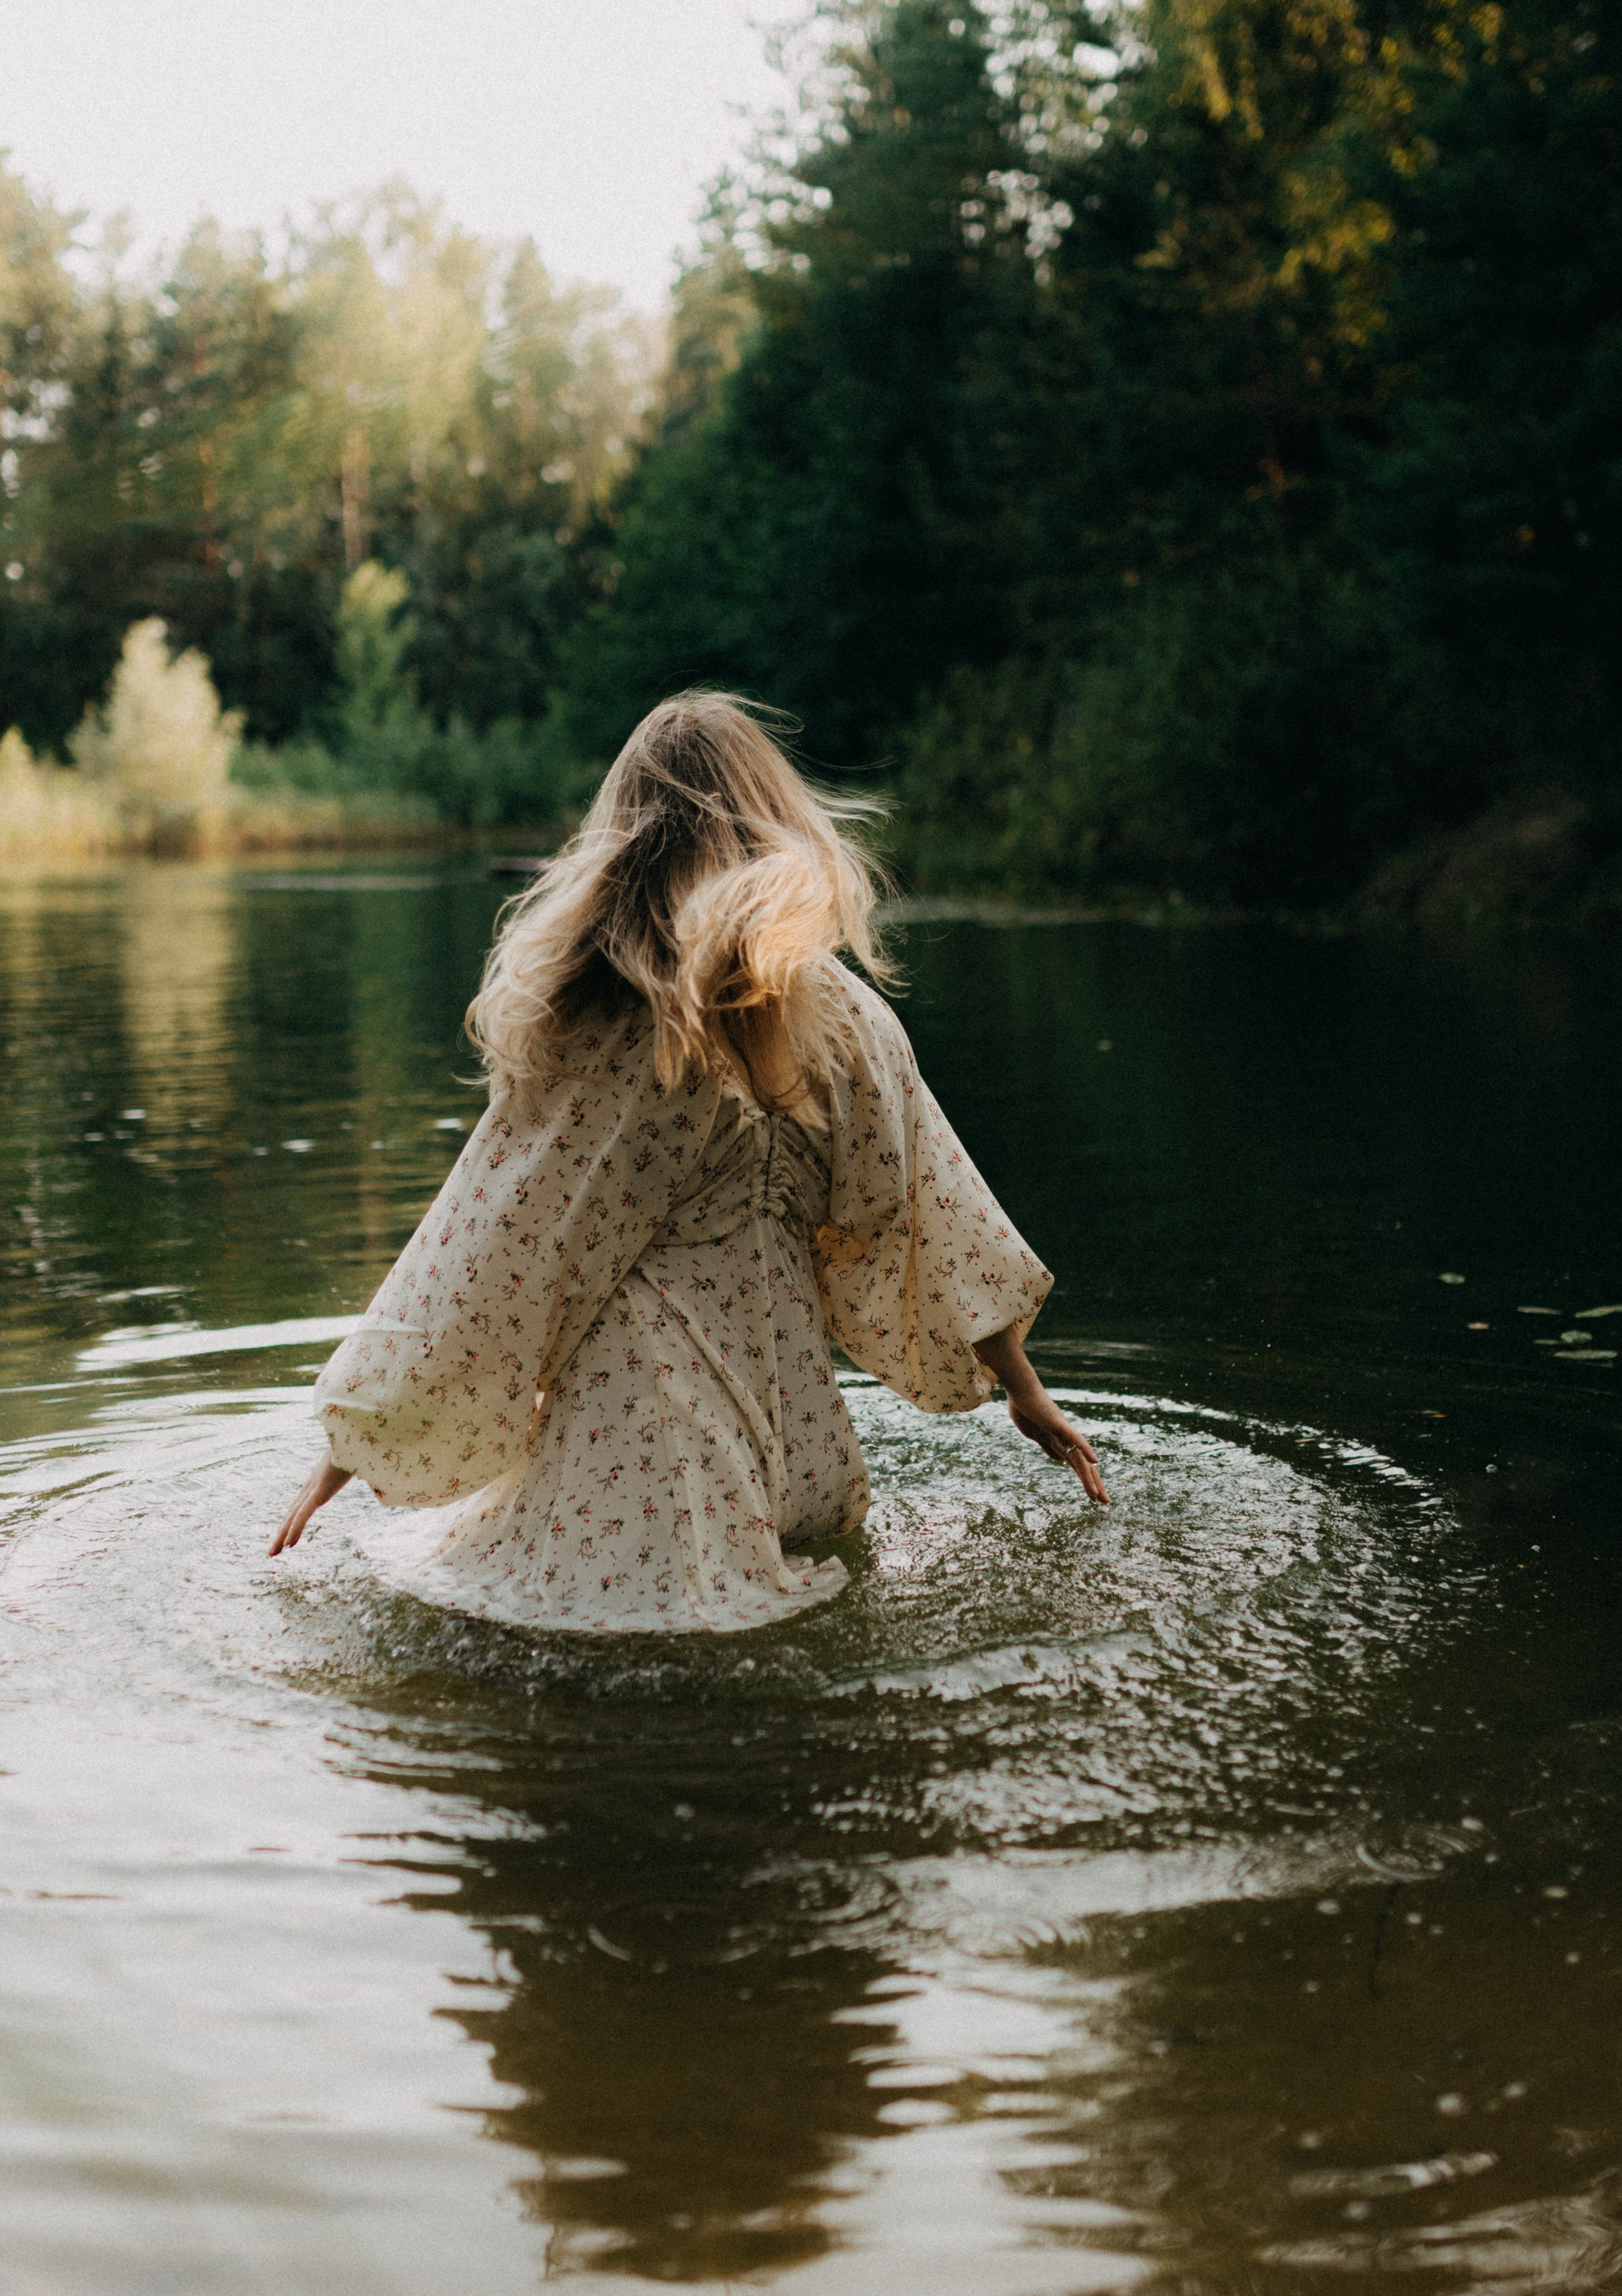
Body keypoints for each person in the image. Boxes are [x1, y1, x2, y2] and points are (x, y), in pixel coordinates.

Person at [270, 693, 1107, 1632]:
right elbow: (936, 1207)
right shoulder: (849, 1022)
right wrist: (1023, 1388)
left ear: (627, 845)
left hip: (642, 1453)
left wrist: (352, 1446)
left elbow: (489, 1248)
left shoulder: (610, 1033)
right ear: (770, 821)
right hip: (796, 1440)